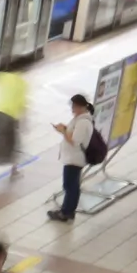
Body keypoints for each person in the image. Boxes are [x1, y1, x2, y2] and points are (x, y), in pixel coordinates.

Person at [49, 94, 100, 222]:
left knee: (70, 186)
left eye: (73, 106)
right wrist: (65, 129)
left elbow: (75, 141)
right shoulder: (80, 119)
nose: (72, 109)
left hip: (75, 159)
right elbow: (74, 134)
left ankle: (66, 212)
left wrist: (63, 131)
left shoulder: (83, 122)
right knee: (72, 185)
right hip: (73, 157)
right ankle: (68, 210)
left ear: (79, 106)